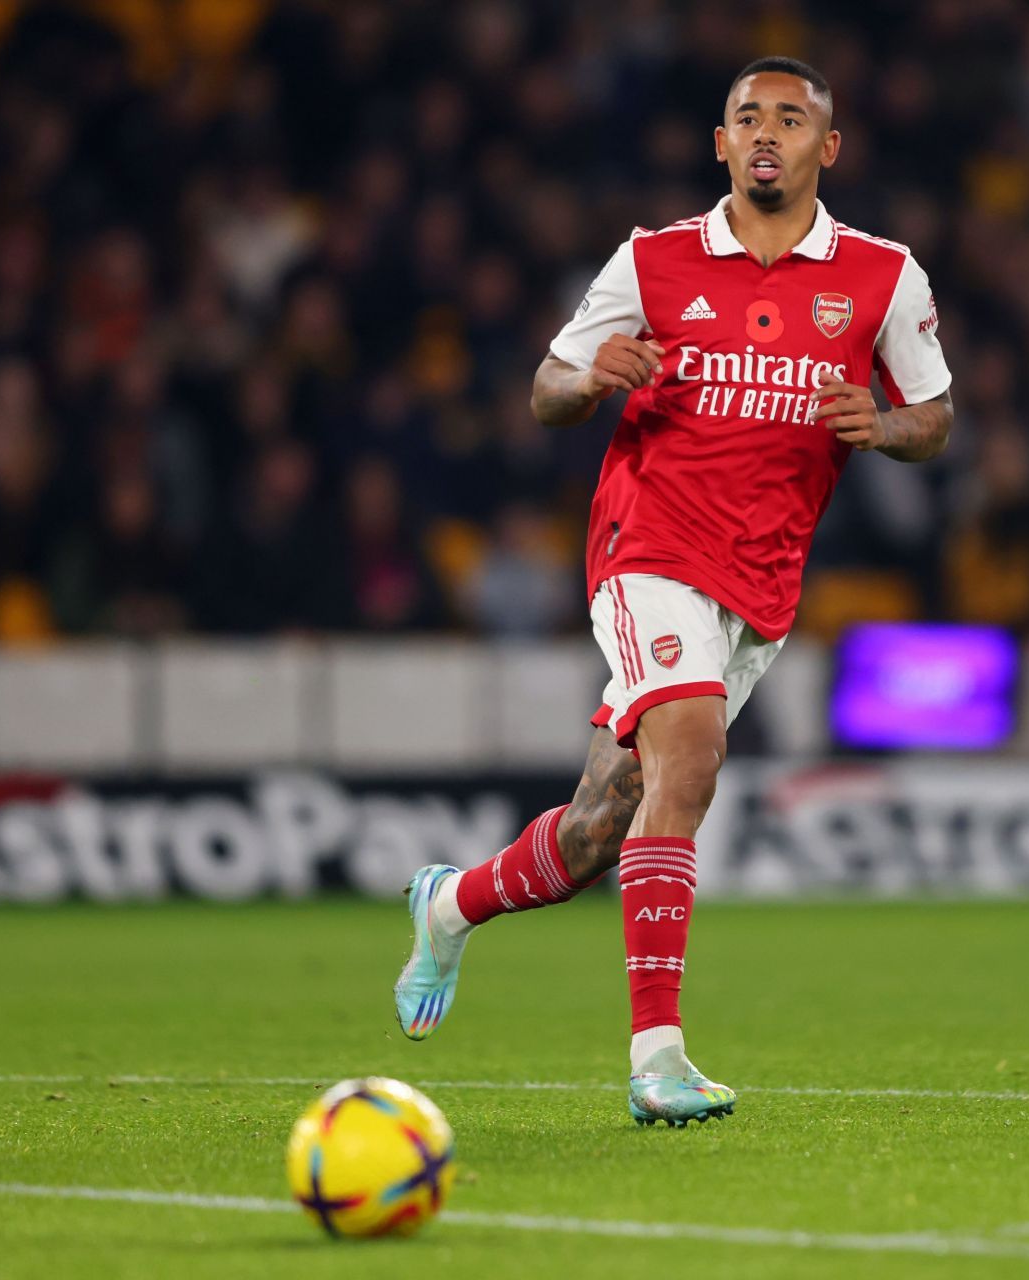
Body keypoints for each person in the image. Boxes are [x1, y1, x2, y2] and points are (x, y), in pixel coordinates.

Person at [393, 57, 954, 1126]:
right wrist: (590, 376)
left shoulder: (885, 276)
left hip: (760, 586)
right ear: (720, 142)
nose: (767, 135)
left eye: (792, 120)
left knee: (602, 821)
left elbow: (935, 415)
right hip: (645, 545)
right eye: (748, 118)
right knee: (690, 753)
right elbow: (548, 387)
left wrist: (879, 426)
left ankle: (449, 902)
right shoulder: (652, 260)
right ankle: (658, 1057)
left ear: (827, 148)